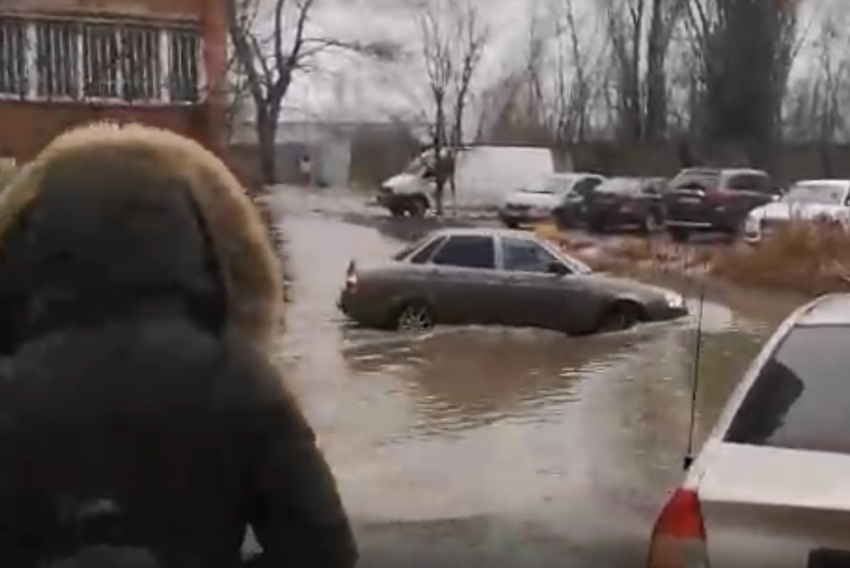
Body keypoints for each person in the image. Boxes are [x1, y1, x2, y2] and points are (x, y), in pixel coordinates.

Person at [0, 123, 358, 568]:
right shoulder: (237, 378)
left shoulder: (11, 386)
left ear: (29, 242)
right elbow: (324, 552)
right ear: (200, 238)